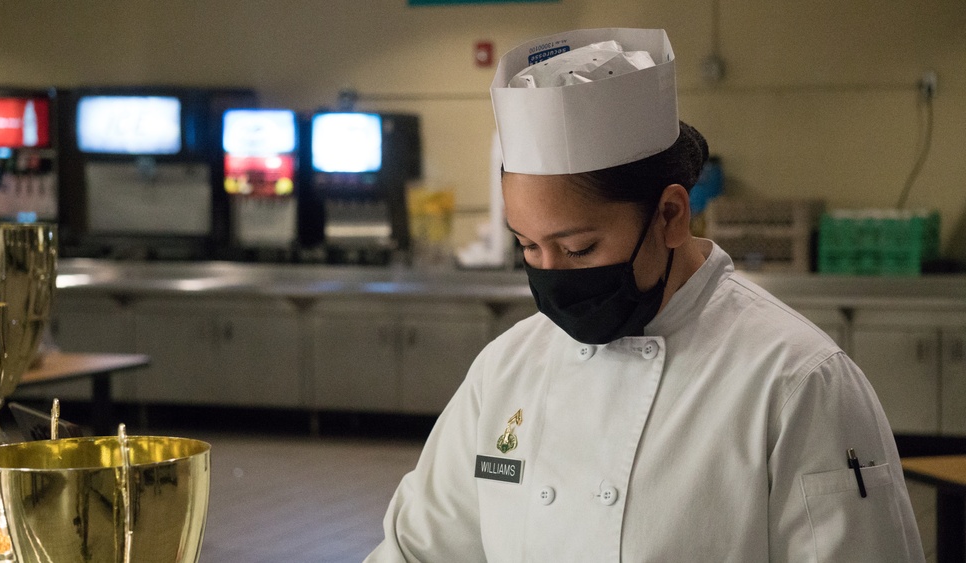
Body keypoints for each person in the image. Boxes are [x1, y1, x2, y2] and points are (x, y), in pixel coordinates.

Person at [366, 28, 925, 562]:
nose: (553, 275)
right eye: (529, 248)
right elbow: (418, 550)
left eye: (579, 249)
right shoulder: (507, 370)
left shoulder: (796, 381)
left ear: (670, 214)